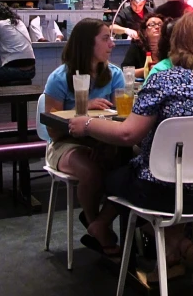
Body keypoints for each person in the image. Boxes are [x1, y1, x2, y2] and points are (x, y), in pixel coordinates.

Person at [67, 11, 193, 281]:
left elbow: (128, 134)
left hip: (164, 193)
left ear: (177, 42)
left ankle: (124, 239)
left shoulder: (163, 81)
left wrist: (86, 125)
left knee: (115, 175)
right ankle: (174, 253)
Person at [44, 17, 125, 256]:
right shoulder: (59, 78)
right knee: (91, 171)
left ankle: (101, 222)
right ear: (87, 44)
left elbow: (121, 116)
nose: (112, 44)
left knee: (133, 167)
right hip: (64, 144)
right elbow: (53, 130)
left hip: (104, 140)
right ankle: (96, 224)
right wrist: (85, 109)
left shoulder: (115, 75)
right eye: (105, 38)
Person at [121, 14, 163, 78]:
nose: (157, 27)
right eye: (152, 24)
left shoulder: (169, 46)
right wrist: (147, 70)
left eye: (160, 25)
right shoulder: (137, 46)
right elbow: (125, 71)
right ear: (145, 31)